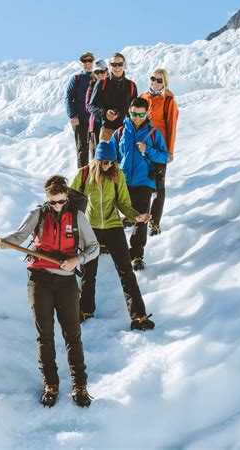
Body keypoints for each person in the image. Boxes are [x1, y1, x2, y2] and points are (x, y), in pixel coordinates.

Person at [0, 176, 99, 408]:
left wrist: (77, 259)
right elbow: (19, 237)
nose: (57, 206)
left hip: (66, 281)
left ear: (66, 196)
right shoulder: (38, 214)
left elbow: (94, 247)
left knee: (72, 333)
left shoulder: (77, 217)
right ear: (47, 198)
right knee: (45, 334)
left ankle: (80, 384)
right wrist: (2, 242)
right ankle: (51, 383)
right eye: (53, 202)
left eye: (60, 201)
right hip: (39, 279)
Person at [71, 141, 155, 331]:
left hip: (113, 226)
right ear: (97, 160)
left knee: (126, 271)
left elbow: (123, 203)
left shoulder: (117, 174)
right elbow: (72, 201)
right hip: (90, 228)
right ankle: (85, 310)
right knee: (88, 272)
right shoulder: (84, 174)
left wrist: (136, 216)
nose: (109, 165)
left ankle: (139, 316)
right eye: (105, 162)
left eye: (112, 162)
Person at [110, 97, 168, 271]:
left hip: (144, 182)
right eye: (134, 113)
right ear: (129, 111)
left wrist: (147, 149)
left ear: (147, 113)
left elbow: (164, 156)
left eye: (141, 114)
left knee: (142, 217)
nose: (137, 117)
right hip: (123, 181)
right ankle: (111, 247)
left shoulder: (154, 133)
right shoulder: (120, 133)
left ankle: (136, 255)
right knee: (113, 215)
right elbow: (112, 156)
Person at [140, 68, 179, 236]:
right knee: (143, 185)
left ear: (165, 83)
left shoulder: (168, 100)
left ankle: (155, 222)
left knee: (159, 186)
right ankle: (141, 219)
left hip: (159, 148)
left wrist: (169, 151)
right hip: (141, 147)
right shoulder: (142, 97)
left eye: (159, 80)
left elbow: (172, 125)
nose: (155, 83)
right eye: (153, 79)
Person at [88, 52, 137, 142]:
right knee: (104, 156)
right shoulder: (102, 83)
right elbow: (91, 106)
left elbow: (135, 111)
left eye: (120, 64)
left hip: (125, 132)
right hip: (106, 131)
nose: (117, 67)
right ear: (110, 66)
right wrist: (105, 113)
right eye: (114, 64)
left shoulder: (131, 85)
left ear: (124, 65)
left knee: (124, 156)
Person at [65, 52, 95, 168]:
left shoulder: (97, 77)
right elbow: (68, 96)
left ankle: (94, 177)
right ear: (81, 63)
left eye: (90, 61)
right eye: (84, 61)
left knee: (96, 149)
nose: (87, 63)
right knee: (82, 148)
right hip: (80, 120)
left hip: (94, 120)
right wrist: (72, 115)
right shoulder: (77, 78)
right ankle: (82, 177)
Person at [85, 59, 109, 161]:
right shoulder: (91, 88)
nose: (99, 75)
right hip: (96, 124)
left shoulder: (111, 86)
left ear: (107, 71)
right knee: (96, 154)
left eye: (102, 72)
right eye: (96, 72)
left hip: (109, 125)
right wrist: (102, 112)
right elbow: (88, 106)